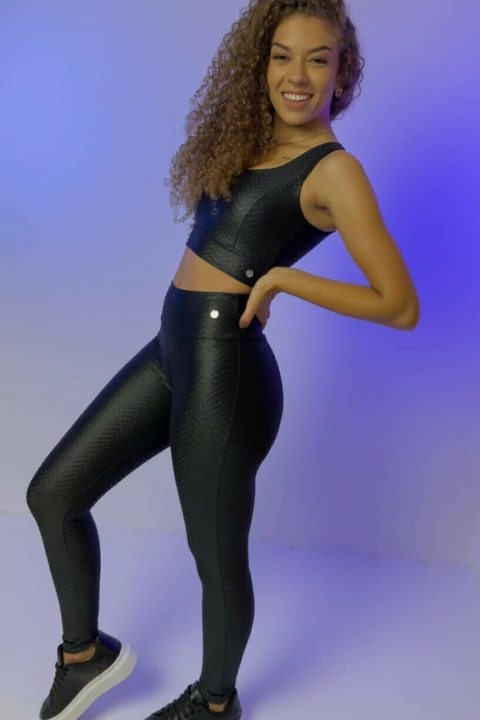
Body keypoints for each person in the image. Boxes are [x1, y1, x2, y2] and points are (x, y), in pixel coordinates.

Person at [26, 0, 420, 718]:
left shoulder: (336, 172)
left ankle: (214, 704)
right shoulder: (251, 137)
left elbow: (400, 304)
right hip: (173, 349)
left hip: (226, 372)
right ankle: (85, 656)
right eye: (281, 56)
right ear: (260, 63)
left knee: (215, 556)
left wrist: (283, 279)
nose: (296, 75)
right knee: (54, 494)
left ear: (342, 72)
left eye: (318, 59)